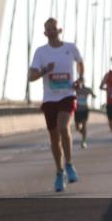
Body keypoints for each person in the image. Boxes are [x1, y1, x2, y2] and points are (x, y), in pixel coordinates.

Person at [28, 18, 85, 192]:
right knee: (54, 137)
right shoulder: (41, 52)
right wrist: (45, 70)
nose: (51, 32)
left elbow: (80, 63)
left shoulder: (70, 48)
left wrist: (80, 79)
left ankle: (69, 164)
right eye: (48, 29)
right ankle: (59, 173)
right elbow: (31, 77)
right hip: (49, 99)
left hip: (67, 95)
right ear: (45, 33)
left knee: (63, 128)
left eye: (54, 28)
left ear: (60, 30)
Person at [73, 76, 96, 149]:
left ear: (83, 82)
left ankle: (83, 141)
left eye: (81, 81)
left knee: (84, 125)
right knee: (77, 127)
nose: (80, 82)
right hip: (77, 110)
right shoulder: (75, 89)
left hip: (85, 110)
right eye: (79, 81)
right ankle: (83, 133)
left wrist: (93, 95)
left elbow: (93, 95)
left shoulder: (87, 89)